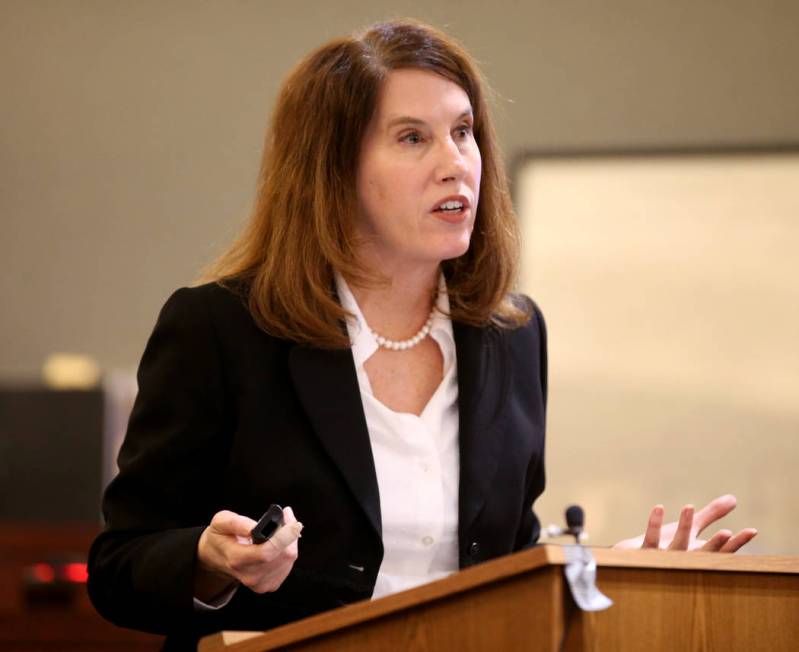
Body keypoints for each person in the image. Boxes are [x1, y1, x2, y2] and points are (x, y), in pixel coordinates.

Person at [87, 19, 756, 650]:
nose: (454, 163)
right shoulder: (222, 328)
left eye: (462, 132)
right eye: (412, 138)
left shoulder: (510, 334)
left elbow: (497, 559)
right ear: (332, 170)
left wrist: (606, 570)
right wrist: (208, 562)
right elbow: (119, 567)